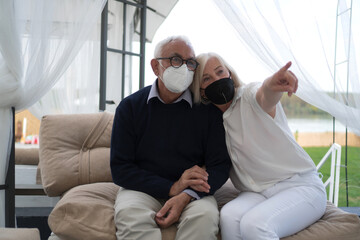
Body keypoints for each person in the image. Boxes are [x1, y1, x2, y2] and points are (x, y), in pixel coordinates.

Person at [191, 52, 327, 240]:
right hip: (256, 192)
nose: (217, 79)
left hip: (299, 185)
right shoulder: (212, 121)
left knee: (255, 225)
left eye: (220, 72)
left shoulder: (248, 96)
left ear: (229, 73)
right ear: (202, 91)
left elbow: (264, 96)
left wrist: (272, 85)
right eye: (207, 78)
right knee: (229, 216)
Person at [110, 37, 231, 240]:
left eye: (190, 62)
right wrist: (171, 187)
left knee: (205, 217)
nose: (184, 67)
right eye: (175, 59)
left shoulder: (207, 112)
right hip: (141, 190)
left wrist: (185, 195)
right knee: (130, 216)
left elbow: (219, 166)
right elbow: (120, 169)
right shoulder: (130, 108)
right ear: (155, 66)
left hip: (192, 193)